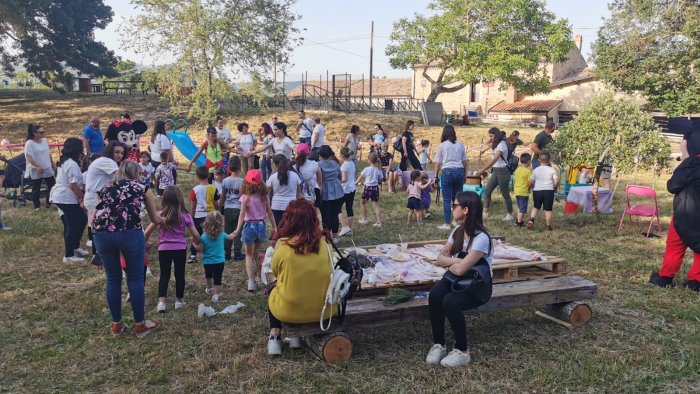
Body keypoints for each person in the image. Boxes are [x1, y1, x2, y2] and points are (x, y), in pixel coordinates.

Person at [92, 160, 163, 337]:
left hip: (102, 234)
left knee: (113, 278)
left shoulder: (105, 188)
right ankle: (140, 324)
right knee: (135, 277)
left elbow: (95, 213)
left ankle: (116, 324)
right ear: (137, 173)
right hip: (130, 232)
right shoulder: (142, 187)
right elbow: (155, 219)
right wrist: (167, 219)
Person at [426, 191, 493, 368]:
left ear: (465, 210)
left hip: (476, 287)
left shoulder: (481, 238)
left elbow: (461, 268)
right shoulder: (457, 231)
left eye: (454, 205)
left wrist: (453, 264)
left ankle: (462, 351)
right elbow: (440, 257)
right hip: (455, 279)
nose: (451, 207)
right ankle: (439, 344)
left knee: (450, 301)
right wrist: (457, 262)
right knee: (434, 295)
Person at [266, 199, 336, 356]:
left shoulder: (283, 245)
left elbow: (275, 272)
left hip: (289, 310)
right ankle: (295, 336)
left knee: (274, 288)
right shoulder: (325, 243)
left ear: (289, 220)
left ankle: (275, 337)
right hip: (325, 310)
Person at [649, 131, 700, 292]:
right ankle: (696, 281)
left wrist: (685, 160)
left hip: (685, 213)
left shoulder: (690, 164)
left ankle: (665, 277)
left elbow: (673, 186)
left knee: (675, 245)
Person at [144, 186, 202, 312]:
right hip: (180, 249)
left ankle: (161, 303)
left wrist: (144, 244)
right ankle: (179, 301)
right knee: (179, 275)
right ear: (180, 199)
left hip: (164, 249)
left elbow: (146, 233)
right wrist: (197, 242)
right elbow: (196, 235)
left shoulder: (159, 215)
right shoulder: (185, 216)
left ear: (164, 199)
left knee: (164, 275)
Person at [232, 169, 276, 291]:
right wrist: (275, 227)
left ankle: (251, 281)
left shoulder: (245, 197)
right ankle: (258, 276)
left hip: (249, 226)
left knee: (249, 255)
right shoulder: (264, 197)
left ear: (246, 183)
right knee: (256, 252)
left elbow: (241, 214)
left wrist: (237, 229)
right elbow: (270, 213)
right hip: (261, 226)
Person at [84, 142, 125, 266]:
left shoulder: (106, 161)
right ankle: (99, 257)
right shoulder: (108, 162)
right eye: (117, 152)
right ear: (109, 151)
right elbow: (122, 177)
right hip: (95, 198)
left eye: (122, 153)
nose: (119, 155)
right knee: (100, 228)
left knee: (98, 227)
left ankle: (98, 256)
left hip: (97, 196)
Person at [50, 138, 88, 263]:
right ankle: (68, 255)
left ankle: (75, 246)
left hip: (63, 196)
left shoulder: (66, 162)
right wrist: (82, 196)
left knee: (82, 220)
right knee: (72, 225)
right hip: (65, 198)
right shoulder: (71, 164)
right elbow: (73, 185)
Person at [433, 125, 469, 230]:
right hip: (459, 171)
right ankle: (456, 220)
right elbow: (465, 162)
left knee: (447, 199)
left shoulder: (442, 145)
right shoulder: (460, 145)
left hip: (447, 171)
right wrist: (465, 175)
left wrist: (435, 176)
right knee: (457, 199)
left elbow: (438, 164)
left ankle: (447, 223)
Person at [476, 127, 513, 221]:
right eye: (489, 136)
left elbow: (494, 159)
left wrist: (482, 170)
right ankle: (485, 212)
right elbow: (487, 143)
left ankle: (510, 214)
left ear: (496, 135)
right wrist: (490, 139)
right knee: (488, 190)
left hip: (503, 171)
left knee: (505, 193)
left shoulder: (502, 144)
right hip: (496, 171)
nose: (490, 138)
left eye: (491, 136)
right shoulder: (496, 143)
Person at [200, 211, 238, 302]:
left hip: (207, 262)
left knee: (208, 276)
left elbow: (201, 248)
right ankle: (216, 295)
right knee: (218, 278)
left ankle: (209, 288)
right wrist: (236, 231)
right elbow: (230, 237)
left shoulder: (203, 237)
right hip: (219, 262)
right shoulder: (222, 235)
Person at [188, 166, 221, 263]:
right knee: (210, 235)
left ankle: (193, 255)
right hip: (210, 216)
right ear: (209, 175)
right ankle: (210, 254)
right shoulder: (214, 188)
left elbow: (193, 206)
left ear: (196, 177)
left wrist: (192, 217)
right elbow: (216, 204)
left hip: (198, 216)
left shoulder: (195, 190)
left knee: (196, 236)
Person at [24, 124, 56, 210]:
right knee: (36, 187)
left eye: (43, 132)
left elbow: (48, 153)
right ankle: (36, 205)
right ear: (34, 133)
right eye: (41, 132)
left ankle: (49, 202)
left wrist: (52, 163)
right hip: (36, 168)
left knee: (52, 185)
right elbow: (28, 157)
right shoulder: (29, 143)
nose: (43, 134)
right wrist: (37, 166)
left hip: (47, 166)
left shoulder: (44, 141)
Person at [317, 146, 345, 244]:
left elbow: (318, 179)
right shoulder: (335, 163)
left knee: (325, 215)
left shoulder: (318, 165)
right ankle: (335, 236)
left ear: (320, 155)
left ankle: (327, 236)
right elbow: (340, 177)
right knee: (335, 214)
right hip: (337, 191)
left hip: (325, 192)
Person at [526, 152, 559, 231]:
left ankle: (531, 219)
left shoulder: (535, 170)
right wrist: (555, 188)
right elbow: (556, 182)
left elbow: (531, 182)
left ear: (538, 160)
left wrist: (529, 189)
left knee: (536, 206)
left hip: (537, 191)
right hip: (548, 191)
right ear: (549, 160)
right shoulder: (552, 170)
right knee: (548, 209)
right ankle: (549, 227)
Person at [266, 154, 301, 226]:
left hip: (276, 206)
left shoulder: (273, 177)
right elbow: (298, 193)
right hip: (292, 206)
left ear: (275, 165)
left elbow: (268, 193)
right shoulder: (294, 175)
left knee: (278, 230)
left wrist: (267, 206)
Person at [221, 157, 244, 261]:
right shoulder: (242, 182)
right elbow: (243, 196)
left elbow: (223, 196)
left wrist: (219, 206)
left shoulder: (225, 181)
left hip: (227, 208)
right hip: (238, 208)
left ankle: (226, 253)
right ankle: (237, 253)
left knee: (227, 230)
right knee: (237, 231)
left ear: (229, 168)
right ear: (240, 168)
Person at [356, 152, 383, 227]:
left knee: (362, 202)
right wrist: (379, 167)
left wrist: (356, 182)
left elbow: (360, 177)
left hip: (367, 188)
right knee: (375, 205)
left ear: (369, 160)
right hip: (375, 188)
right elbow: (381, 178)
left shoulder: (366, 169)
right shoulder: (378, 170)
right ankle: (378, 222)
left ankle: (364, 219)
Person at [338, 147, 356, 237]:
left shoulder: (344, 165)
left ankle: (344, 227)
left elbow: (344, 179)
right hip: (352, 188)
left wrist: (337, 181)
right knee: (349, 208)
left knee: (337, 208)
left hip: (345, 190)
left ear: (342, 156)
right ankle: (350, 229)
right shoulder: (352, 163)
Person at [513, 153, 532, 227]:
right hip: (523, 192)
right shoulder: (528, 171)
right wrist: (529, 188)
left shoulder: (517, 170)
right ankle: (519, 223)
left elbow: (514, 180)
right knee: (522, 209)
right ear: (528, 161)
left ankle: (518, 220)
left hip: (517, 191)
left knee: (519, 207)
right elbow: (530, 182)